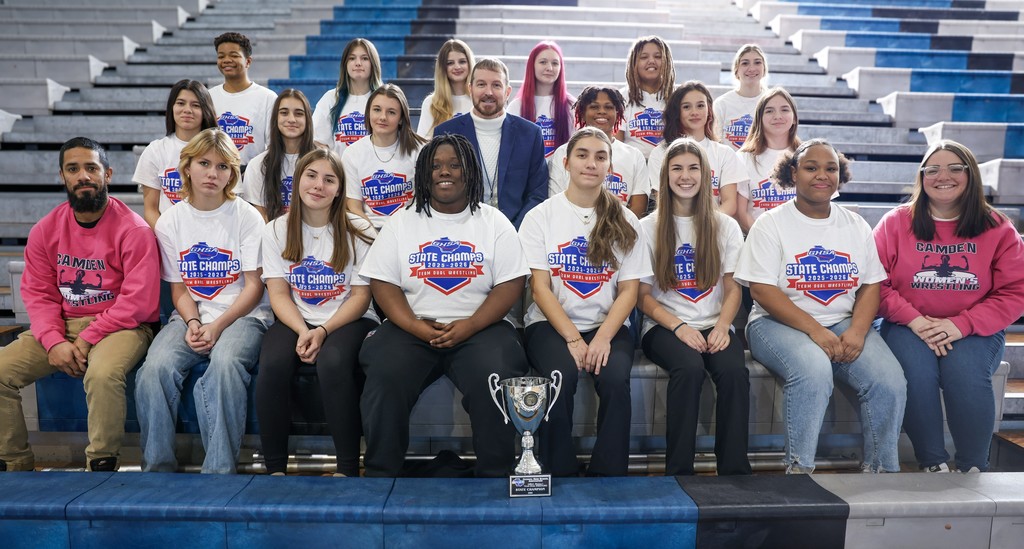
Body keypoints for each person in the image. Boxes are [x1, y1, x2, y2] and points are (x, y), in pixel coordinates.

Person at [358, 133, 530, 478]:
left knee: (494, 376)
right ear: (423, 173)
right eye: (435, 165)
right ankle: (380, 474)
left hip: (481, 327)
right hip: (413, 326)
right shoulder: (402, 221)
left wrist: (471, 325)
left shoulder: (493, 221)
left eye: (454, 164)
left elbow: (510, 283)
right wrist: (414, 326)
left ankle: (495, 473)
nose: (444, 172)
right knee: (385, 375)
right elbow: (383, 282)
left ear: (470, 171)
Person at [735, 139, 906, 474]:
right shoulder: (770, 223)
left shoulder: (855, 224)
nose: (822, 175)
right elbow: (763, 291)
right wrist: (816, 331)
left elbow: (872, 284)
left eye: (831, 168)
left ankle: (881, 471)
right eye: (811, 167)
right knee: (813, 371)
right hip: (774, 323)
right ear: (793, 173)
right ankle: (799, 471)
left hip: (842, 320)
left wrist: (858, 331)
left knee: (890, 381)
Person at [0, 137, 159, 472]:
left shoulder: (134, 229)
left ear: (108, 174)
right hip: (64, 324)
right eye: (73, 169)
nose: (82, 175)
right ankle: (13, 465)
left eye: (91, 167)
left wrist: (87, 338)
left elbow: (139, 301)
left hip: (122, 326)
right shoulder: (46, 230)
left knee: (102, 374)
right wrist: (54, 340)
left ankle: (101, 464)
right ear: (62, 176)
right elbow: (39, 294)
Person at [874, 140, 1024, 473]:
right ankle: (933, 463)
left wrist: (960, 324)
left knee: (966, 375)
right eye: (934, 169)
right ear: (922, 177)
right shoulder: (895, 223)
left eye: (956, 168)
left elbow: (1015, 292)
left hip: (973, 327)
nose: (944, 176)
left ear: (971, 175)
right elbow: (875, 284)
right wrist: (916, 321)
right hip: (906, 324)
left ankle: (973, 467)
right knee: (916, 373)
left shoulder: (997, 226)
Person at [135, 129, 272, 474]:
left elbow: (255, 286)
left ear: (232, 174)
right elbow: (179, 289)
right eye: (204, 164)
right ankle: (158, 469)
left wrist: (217, 325)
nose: (213, 173)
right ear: (187, 167)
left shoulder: (246, 216)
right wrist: (195, 323)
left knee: (225, 365)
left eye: (223, 166)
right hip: (191, 316)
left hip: (245, 315)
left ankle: (219, 471)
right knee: (154, 370)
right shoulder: (170, 221)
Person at [520, 127, 651, 477]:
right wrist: (574, 339)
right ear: (565, 163)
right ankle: (558, 470)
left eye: (600, 156)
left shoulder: (626, 220)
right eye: (582, 155)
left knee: (614, 379)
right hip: (550, 324)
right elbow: (540, 289)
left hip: (608, 324)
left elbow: (629, 291)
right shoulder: (540, 217)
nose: (591, 163)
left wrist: (603, 338)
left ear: (610, 167)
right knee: (559, 374)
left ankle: (608, 474)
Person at [257, 149, 378, 477]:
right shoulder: (276, 230)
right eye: (311, 176)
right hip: (297, 316)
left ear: (340, 189)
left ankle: (348, 468)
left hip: (349, 316)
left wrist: (322, 332)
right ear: (297, 181)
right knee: (272, 363)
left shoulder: (358, 229)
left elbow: (361, 295)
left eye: (329, 179)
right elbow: (279, 293)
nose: (318, 185)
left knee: (334, 361)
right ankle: (275, 470)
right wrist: (302, 330)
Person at [638, 138, 750, 476]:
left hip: (716, 323)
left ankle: (734, 471)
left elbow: (733, 288)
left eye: (692, 168)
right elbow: (642, 297)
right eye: (677, 169)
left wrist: (721, 327)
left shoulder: (725, 226)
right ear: (665, 176)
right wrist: (678, 327)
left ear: (705, 175)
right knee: (687, 368)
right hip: (664, 326)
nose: (685, 176)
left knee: (733, 372)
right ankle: (679, 470)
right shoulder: (647, 227)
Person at [435, 58, 548, 229]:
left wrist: (513, 231)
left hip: (516, 232)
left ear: (507, 91)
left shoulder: (530, 134)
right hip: (461, 231)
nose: (488, 92)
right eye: (481, 84)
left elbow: (537, 194)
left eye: (496, 85)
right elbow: (439, 190)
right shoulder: (445, 133)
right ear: (470, 89)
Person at [647, 81, 747, 218]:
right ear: (677, 112)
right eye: (687, 107)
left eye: (700, 106)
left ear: (709, 110)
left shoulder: (724, 153)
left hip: (713, 227)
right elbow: (662, 202)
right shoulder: (660, 153)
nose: (695, 112)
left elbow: (730, 204)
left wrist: (705, 224)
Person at [548, 86, 650, 218]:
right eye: (594, 107)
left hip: (620, 231)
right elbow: (556, 200)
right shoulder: (563, 152)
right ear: (582, 113)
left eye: (608, 107)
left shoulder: (634, 155)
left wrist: (615, 230)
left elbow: (638, 208)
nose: (602, 111)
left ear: (617, 113)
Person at [134, 79, 218, 229]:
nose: (187, 110)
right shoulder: (155, 150)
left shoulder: (218, 150)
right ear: (171, 107)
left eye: (196, 105)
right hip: (168, 239)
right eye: (180, 103)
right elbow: (151, 210)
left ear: (206, 110)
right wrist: (168, 240)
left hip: (211, 232)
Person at [343, 83, 427, 229]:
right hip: (369, 231)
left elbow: (425, 202)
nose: (383, 117)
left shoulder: (420, 150)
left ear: (401, 118)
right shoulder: (352, 154)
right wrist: (375, 239)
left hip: (410, 229)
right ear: (368, 113)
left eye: (391, 112)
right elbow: (354, 207)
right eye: (377, 110)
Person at [242, 89, 317, 221]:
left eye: (299, 114)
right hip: (272, 238)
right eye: (284, 113)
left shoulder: (322, 163)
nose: (291, 119)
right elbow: (261, 219)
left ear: (308, 120)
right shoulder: (257, 166)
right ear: (275, 118)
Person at [735, 87, 801, 234]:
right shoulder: (743, 158)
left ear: (794, 117)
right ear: (759, 118)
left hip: (799, 241)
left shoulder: (809, 155)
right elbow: (741, 213)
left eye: (784, 110)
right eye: (769, 111)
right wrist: (766, 239)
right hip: (758, 240)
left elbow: (819, 207)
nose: (777, 116)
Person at [209, 32, 278, 167]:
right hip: (215, 173)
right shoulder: (208, 97)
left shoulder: (268, 98)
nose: (226, 60)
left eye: (234, 55)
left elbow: (273, 146)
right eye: (221, 56)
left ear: (248, 61)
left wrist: (254, 173)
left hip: (252, 173)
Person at [312, 38, 383, 156]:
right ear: (345, 64)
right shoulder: (330, 98)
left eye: (365, 58)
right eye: (352, 58)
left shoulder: (384, 99)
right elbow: (318, 142)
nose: (358, 63)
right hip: (339, 172)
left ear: (373, 64)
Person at [506, 41, 575, 158]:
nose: (549, 68)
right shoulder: (516, 107)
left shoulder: (571, 105)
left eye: (555, 63)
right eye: (543, 62)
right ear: (532, 65)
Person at [617, 36, 675, 159]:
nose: (651, 61)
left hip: (668, 168)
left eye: (658, 56)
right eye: (644, 57)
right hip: (633, 167)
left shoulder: (678, 97)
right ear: (634, 63)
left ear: (667, 62)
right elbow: (617, 145)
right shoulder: (620, 98)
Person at [714, 44, 769, 151]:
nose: (752, 68)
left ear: (764, 69)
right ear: (736, 70)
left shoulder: (772, 102)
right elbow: (716, 143)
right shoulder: (722, 104)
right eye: (745, 63)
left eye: (757, 62)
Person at [417, 39, 475, 138]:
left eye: (462, 62)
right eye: (450, 63)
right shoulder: (431, 103)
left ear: (469, 64)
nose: (457, 67)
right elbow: (422, 143)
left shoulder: (478, 100)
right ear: (443, 68)